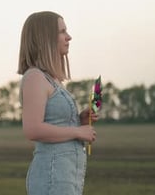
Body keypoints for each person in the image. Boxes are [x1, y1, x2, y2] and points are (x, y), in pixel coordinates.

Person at [17, 11, 98, 195]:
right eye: (62, 32)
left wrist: (79, 120)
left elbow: (54, 124)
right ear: (44, 37)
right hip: (52, 179)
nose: (69, 37)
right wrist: (78, 131)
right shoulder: (35, 77)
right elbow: (33, 129)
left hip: (65, 178)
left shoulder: (51, 80)